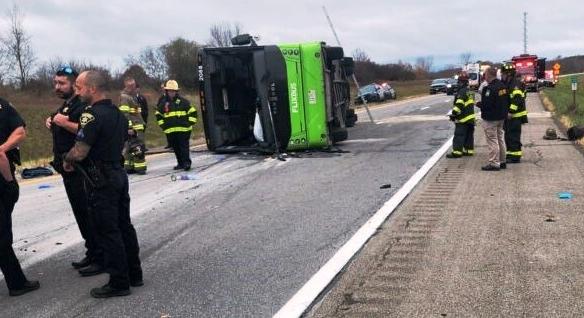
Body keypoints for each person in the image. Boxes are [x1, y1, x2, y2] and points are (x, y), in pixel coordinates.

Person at [63, 70, 143, 298]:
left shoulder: (90, 115)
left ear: (92, 89)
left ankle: (119, 282)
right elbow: (124, 144)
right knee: (124, 225)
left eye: (79, 87)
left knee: (108, 231)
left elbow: (80, 151)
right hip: (118, 174)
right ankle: (135, 274)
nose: (77, 91)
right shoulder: (118, 113)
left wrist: (67, 159)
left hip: (101, 180)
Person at [45, 66, 104, 276]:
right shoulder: (67, 106)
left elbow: (86, 130)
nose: (57, 87)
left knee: (88, 212)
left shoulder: (83, 106)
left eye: (62, 83)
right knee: (80, 213)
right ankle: (92, 251)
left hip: (80, 169)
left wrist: (64, 123)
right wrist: (53, 123)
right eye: (55, 83)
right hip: (67, 169)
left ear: (73, 85)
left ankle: (100, 256)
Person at [0, 97, 40, 296]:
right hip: (1, 178)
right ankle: (16, 283)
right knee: (2, 235)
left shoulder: (3, 106)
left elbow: (19, 131)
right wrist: (9, 183)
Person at [155, 80, 197, 171]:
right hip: (170, 131)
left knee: (184, 147)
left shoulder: (183, 102)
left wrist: (190, 123)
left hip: (184, 130)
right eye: (170, 91)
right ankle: (180, 163)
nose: (171, 93)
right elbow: (158, 115)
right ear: (166, 91)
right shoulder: (163, 104)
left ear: (176, 91)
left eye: (173, 91)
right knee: (176, 148)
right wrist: (163, 126)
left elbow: (193, 112)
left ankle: (186, 163)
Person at [476, 67, 509, 171]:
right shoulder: (502, 86)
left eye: (485, 74)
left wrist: (477, 103)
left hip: (491, 118)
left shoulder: (489, 88)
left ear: (489, 75)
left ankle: (494, 163)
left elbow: (487, 104)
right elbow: (506, 101)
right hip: (501, 117)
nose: (484, 76)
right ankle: (502, 161)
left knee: (492, 140)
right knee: (500, 138)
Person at [119, 77, 147, 175]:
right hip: (134, 128)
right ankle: (140, 168)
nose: (134, 87)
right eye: (132, 85)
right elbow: (124, 114)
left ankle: (129, 167)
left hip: (137, 126)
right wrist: (129, 127)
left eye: (134, 85)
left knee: (130, 148)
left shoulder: (132, 97)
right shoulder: (125, 98)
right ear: (128, 86)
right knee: (138, 147)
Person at [501, 63, 528, 163]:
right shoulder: (509, 83)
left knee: (513, 136)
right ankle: (510, 154)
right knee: (508, 135)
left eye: (503, 74)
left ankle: (515, 157)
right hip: (510, 116)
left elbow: (517, 99)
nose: (502, 76)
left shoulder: (515, 84)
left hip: (515, 116)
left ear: (508, 74)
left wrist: (511, 111)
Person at [446, 72, 476, 158]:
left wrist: (453, 114)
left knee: (459, 135)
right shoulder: (470, 91)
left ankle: (457, 152)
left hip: (463, 118)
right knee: (469, 136)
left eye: (459, 82)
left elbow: (459, 104)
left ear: (461, 82)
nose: (458, 84)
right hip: (470, 118)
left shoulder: (462, 92)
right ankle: (469, 150)